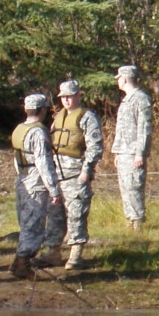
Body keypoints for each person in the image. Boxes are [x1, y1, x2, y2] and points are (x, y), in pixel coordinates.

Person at [36, 79, 103, 270]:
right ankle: (53, 252)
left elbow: (95, 146)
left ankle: (75, 254)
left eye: (70, 96)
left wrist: (87, 170)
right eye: (63, 97)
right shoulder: (59, 116)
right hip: (57, 173)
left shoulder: (87, 117)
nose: (66, 100)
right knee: (54, 213)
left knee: (76, 212)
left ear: (78, 96)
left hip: (75, 173)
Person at [8, 94, 63, 279]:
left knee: (25, 222)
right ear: (42, 110)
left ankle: (18, 262)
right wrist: (54, 188)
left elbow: (17, 159)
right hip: (36, 181)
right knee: (34, 224)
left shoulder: (19, 129)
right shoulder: (38, 132)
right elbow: (43, 163)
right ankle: (23, 263)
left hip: (21, 179)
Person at [110, 64, 153, 231]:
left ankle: (137, 223)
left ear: (125, 78)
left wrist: (140, 153)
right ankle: (130, 220)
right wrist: (118, 152)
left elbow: (144, 128)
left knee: (134, 186)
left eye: (119, 78)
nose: (118, 81)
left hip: (134, 152)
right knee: (125, 187)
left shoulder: (141, 99)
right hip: (124, 151)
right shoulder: (127, 99)